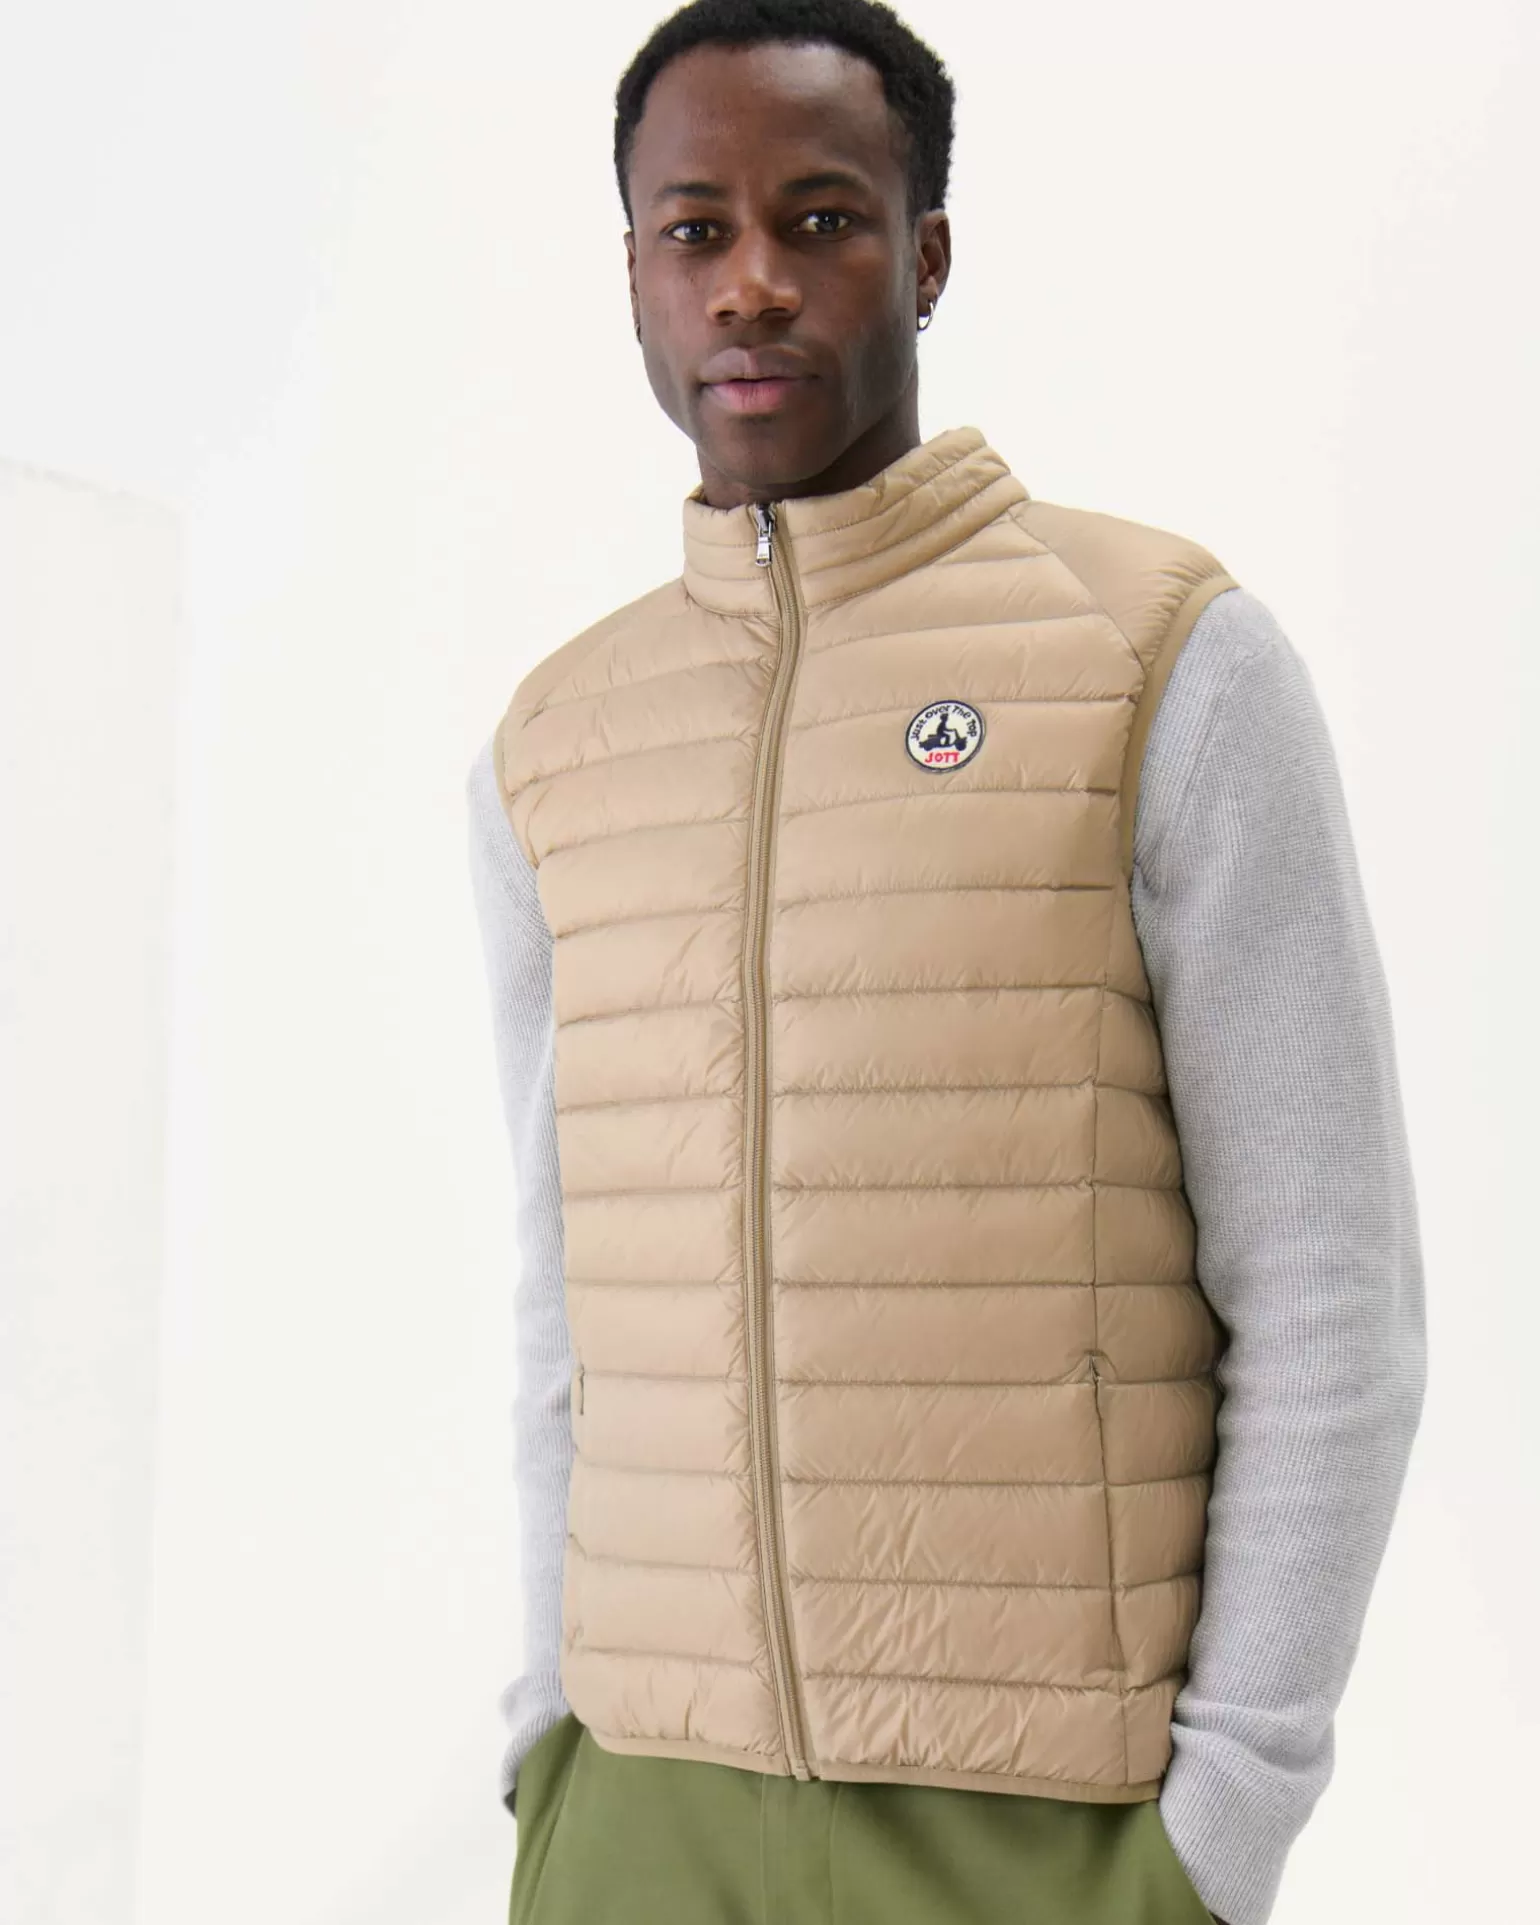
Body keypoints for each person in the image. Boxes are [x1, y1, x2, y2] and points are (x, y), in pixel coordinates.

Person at [466, 4, 1427, 1922]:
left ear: (925, 256)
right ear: (635, 270)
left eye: (820, 220)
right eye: (695, 228)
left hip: (1044, 1837)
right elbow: (566, 1303)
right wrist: (550, 1738)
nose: (751, 282)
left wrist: (1220, 1827)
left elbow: (1335, 1296)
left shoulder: (1158, 658)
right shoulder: (558, 745)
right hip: (640, 1816)